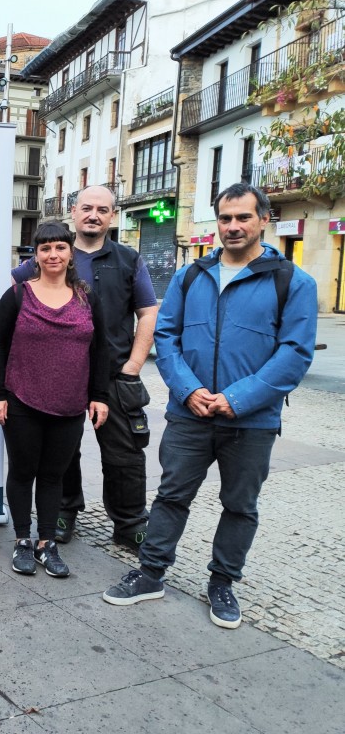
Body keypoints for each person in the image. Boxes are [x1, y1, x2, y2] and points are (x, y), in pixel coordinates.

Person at [103, 182, 316, 628]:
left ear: (264, 220)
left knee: (240, 505)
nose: (233, 226)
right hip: (189, 414)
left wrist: (236, 399)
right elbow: (167, 336)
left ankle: (222, 582)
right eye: (225, 218)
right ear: (215, 222)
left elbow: (294, 353)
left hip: (252, 421)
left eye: (243, 217)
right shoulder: (190, 276)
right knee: (171, 496)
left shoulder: (292, 281)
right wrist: (188, 390)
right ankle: (151, 572)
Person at [12, 184, 157, 550]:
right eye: (87, 207)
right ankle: (63, 513)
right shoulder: (53, 253)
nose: (94, 215)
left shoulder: (128, 259)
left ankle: (130, 524)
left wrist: (134, 365)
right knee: (63, 453)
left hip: (115, 376)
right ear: (73, 212)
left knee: (125, 454)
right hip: (64, 376)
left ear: (113, 215)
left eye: (103, 209)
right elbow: (16, 292)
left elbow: (148, 312)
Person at [0, 221, 109, 579]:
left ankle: (47, 543)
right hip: (22, 399)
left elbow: (101, 350)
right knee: (24, 471)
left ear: (70, 252)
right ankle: (23, 540)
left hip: (70, 404)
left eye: (59, 247)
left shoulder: (88, 298)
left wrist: (99, 396)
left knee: (54, 476)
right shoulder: (18, 296)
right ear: (36, 255)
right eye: (45, 248)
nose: (53, 254)